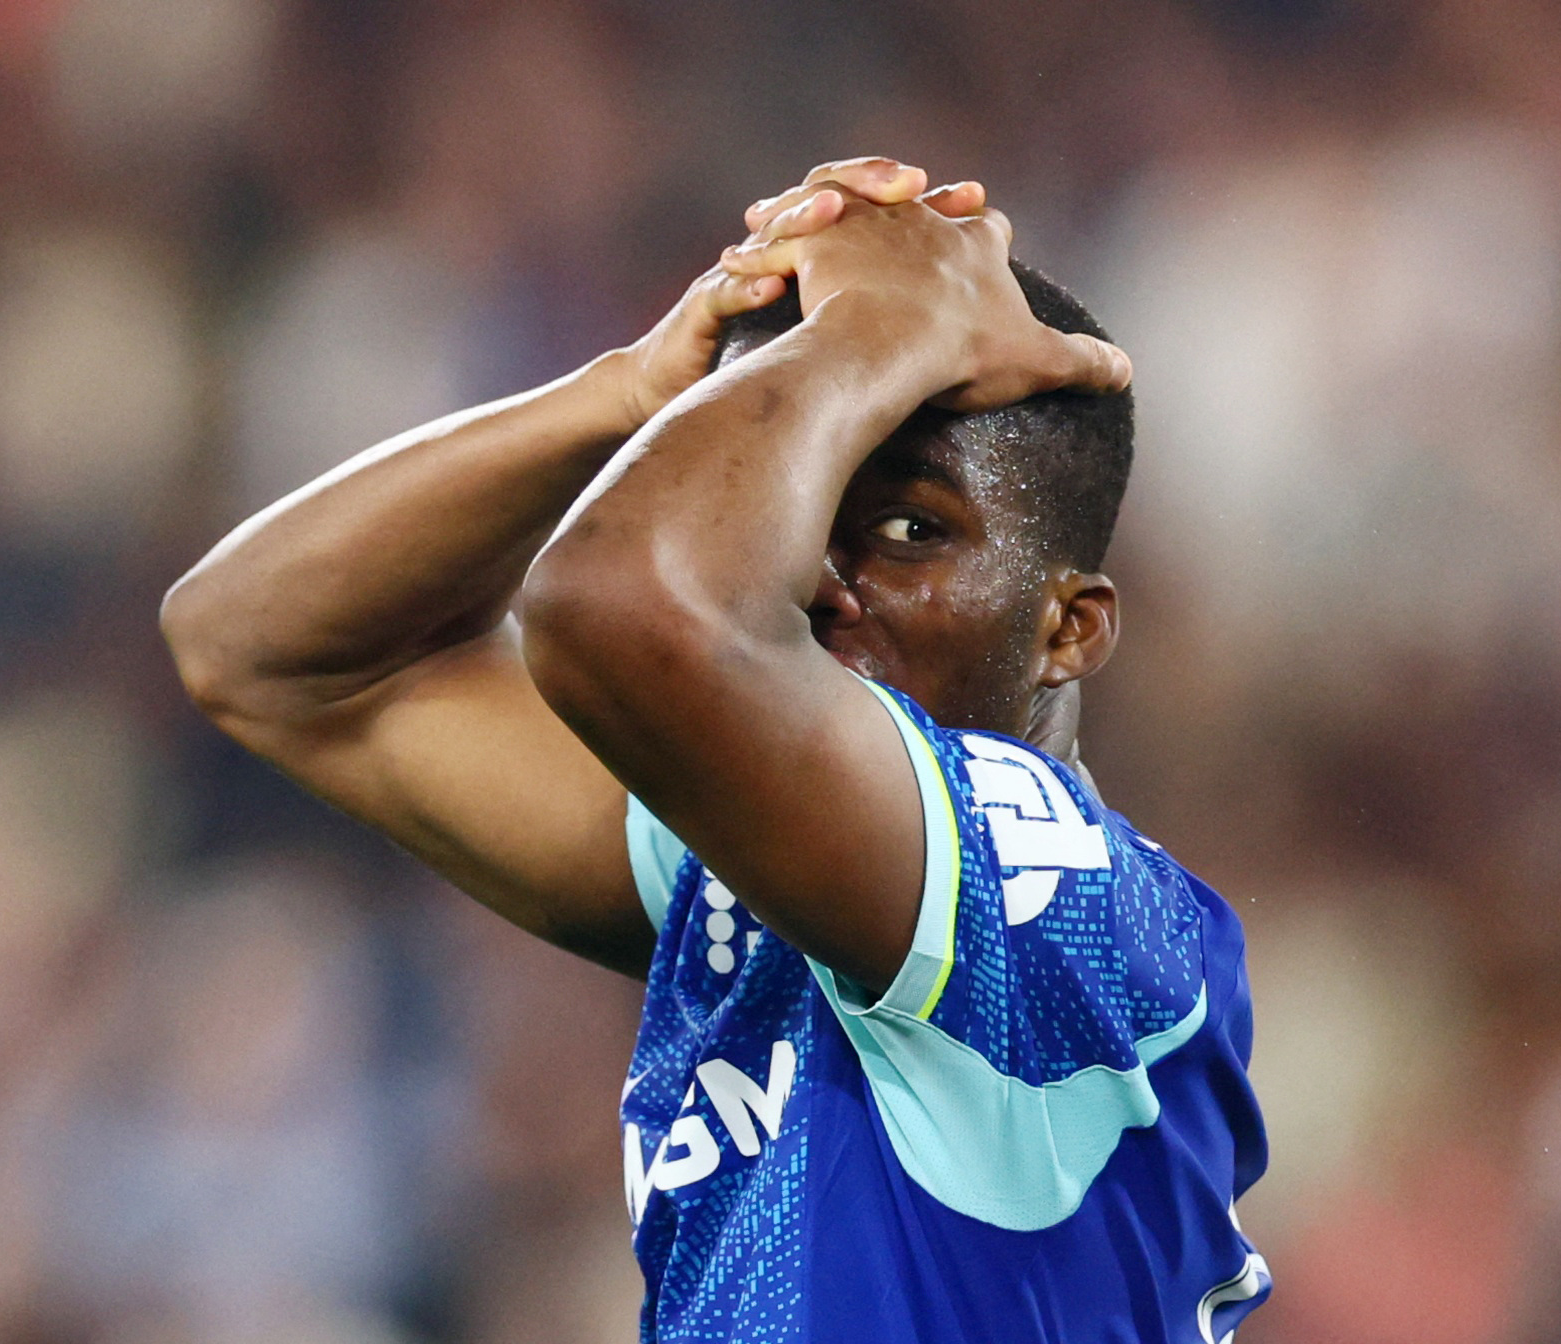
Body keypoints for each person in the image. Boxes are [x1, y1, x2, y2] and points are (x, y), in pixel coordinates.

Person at [162, 157, 1270, 1343]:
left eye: (911, 529)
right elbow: (264, 652)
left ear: (1068, 628)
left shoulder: (1048, 897)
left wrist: (874, 326)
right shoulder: (764, 881)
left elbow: (615, 612)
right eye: (800, 515)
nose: (814, 580)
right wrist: (632, 392)